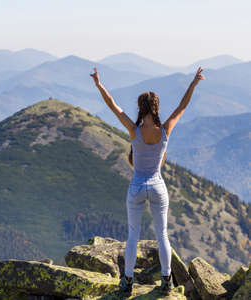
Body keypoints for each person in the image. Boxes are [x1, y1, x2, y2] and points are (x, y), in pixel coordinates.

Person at [90, 66, 205, 295]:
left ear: (141, 108)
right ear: (156, 107)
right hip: (157, 185)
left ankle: (128, 281)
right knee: (162, 234)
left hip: (136, 186)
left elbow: (112, 105)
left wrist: (98, 84)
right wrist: (193, 83)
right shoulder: (165, 130)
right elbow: (183, 106)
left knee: (133, 235)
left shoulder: (134, 130)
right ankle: (166, 280)